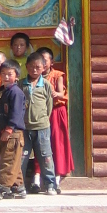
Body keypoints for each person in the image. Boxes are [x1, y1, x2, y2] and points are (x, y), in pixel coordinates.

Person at [31, 46, 75, 194]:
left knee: (57, 143)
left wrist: (55, 93)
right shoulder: (34, 78)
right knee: (40, 145)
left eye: (45, 60)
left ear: (51, 62)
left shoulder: (57, 75)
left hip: (56, 112)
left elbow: (61, 93)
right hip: (41, 113)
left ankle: (56, 180)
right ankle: (37, 179)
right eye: (39, 61)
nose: (42, 64)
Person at [20, 51, 57, 196]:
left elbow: (49, 105)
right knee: (22, 157)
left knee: (45, 156)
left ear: (43, 68)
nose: (34, 70)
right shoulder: (21, 84)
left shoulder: (46, 85)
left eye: (38, 67)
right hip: (24, 127)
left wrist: (43, 119)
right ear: (26, 67)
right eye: (31, 67)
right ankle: (20, 185)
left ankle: (50, 185)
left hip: (42, 127)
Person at [0, 59, 26, 198]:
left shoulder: (16, 92)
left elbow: (16, 114)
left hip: (13, 133)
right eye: (3, 73)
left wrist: (9, 129)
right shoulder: (4, 92)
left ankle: (2, 188)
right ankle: (18, 187)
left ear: (16, 76)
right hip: (5, 131)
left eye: (9, 74)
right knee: (13, 160)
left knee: (8, 160)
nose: (6, 77)